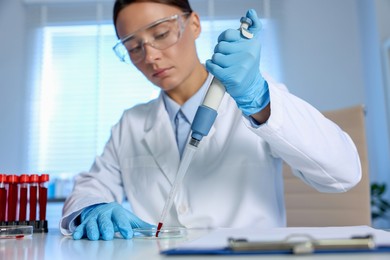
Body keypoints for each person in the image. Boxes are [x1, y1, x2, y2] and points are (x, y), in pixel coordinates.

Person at [60, 0, 362, 241]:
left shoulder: (253, 96)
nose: (150, 56)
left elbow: (344, 172)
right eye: (133, 47)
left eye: (161, 34)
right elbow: (91, 186)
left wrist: (260, 101)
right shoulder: (132, 123)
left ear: (193, 24)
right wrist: (94, 207)